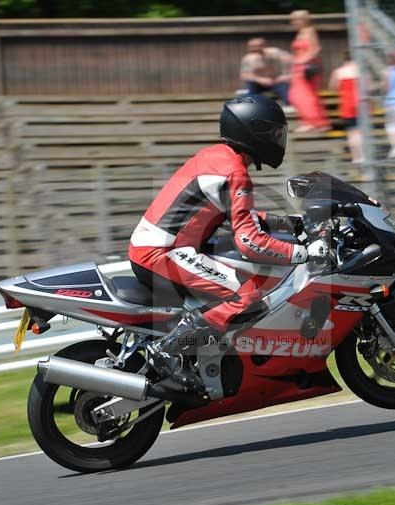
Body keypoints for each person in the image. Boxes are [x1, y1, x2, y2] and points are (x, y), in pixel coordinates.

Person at [128, 95, 325, 391]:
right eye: (274, 134)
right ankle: (169, 351)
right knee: (246, 298)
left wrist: (288, 223)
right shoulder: (235, 172)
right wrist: (303, 253)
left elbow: (234, 213)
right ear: (253, 132)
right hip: (162, 253)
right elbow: (248, 240)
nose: (278, 140)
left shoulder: (216, 156)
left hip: (158, 248)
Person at [288, 9, 331, 133]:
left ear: (304, 20)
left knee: (303, 96)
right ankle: (310, 121)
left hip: (305, 67)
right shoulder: (301, 32)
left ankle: (313, 122)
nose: (294, 22)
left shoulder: (309, 31)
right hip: (298, 67)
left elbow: (315, 49)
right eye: (293, 20)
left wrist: (303, 61)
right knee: (297, 96)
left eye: (296, 19)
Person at [329, 51, 363, 163]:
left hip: (347, 104)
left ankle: (356, 157)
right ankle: (363, 155)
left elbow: (333, 87)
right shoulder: (360, 70)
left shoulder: (338, 72)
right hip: (360, 102)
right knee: (361, 131)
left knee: (352, 132)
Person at [240, 38, 292, 106]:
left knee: (286, 89)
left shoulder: (274, 52)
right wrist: (260, 79)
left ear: (264, 46)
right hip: (259, 83)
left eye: (259, 45)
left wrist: (286, 75)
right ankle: (250, 107)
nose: (256, 48)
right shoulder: (247, 59)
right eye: (253, 46)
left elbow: (291, 59)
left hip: (277, 81)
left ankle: (289, 107)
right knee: (250, 86)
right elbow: (244, 76)